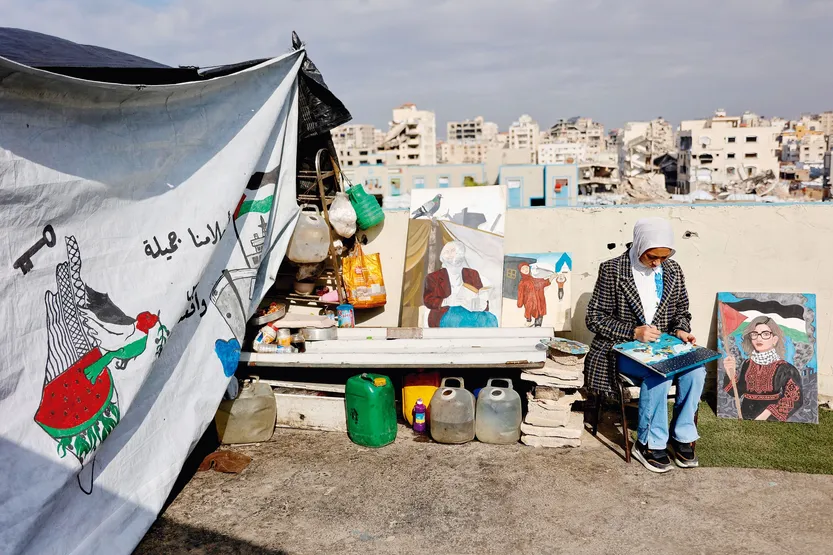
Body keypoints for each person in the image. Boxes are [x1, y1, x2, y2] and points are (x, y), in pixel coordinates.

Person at [585, 217, 705, 473]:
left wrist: (681, 329)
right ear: (639, 246)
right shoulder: (613, 270)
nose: (657, 263)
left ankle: (683, 436)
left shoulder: (673, 270)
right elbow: (594, 318)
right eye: (652, 256)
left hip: (664, 347)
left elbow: (681, 311)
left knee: (696, 371)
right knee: (658, 373)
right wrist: (632, 331)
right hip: (622, 349)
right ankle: (649, 443)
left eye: (664, 256)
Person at [722, 316, 804, 421]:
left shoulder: (786, 368)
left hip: (770, 418)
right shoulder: (747, 364)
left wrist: (766, 414)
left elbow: (794, 399)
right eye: (755, 334)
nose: (759, 338)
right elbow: (736, 392)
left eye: (765, 334)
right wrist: (730, 372)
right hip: (745, 415)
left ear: (774, 339)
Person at [423, 241, 498, 328]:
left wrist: (482, 304)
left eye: (452, 251)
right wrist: (447, 301)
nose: (450, 254)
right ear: (442, 256)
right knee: (461, 320)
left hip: (471, 311)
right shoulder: (433, 277)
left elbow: (480, 294)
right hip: (446, 313)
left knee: (491, 319)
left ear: (460, 253)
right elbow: (428, 300)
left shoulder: (472, 274)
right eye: (446, 252)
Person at [516, 262, 555, 327]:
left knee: (540, 313)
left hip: (539, 301)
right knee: (529, 313)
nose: (525, 269)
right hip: (529, 302)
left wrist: (552, 277)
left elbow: (544, 283)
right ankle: (529, 320)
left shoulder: (534, 280)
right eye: (523, 268)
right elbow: (521, 294)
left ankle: (538, 325)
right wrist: (520, 303)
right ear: (520, 271)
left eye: (526, 267)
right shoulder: (522, 282)